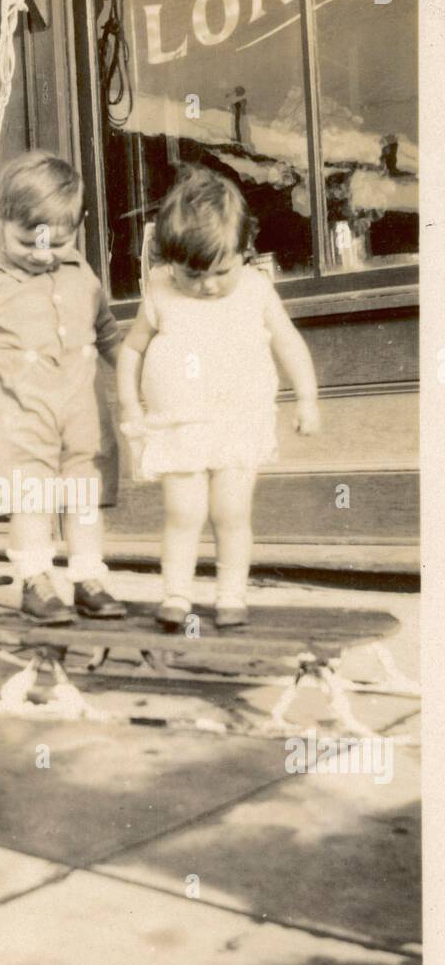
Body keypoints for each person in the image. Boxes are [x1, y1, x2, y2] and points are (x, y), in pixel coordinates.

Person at [117, 164, 321, 630]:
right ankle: (175, 594)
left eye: (219, 272)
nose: (207, 285)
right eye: (193, 274)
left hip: (237, 421)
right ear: (170, 262)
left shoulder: (254, 289)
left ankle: (231, 595)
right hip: (178, 425)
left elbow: (288, 342)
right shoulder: (161, 290)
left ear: (244, 253)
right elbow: (131, 348)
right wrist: (131, 405)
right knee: (182, 512)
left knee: (231, 512)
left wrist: (306, 397)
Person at [0, 150, 126, 625]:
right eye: (28, 242)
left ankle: (88, 578)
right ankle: (36, 580)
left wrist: (138, 375)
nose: (43, 253)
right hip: (19, 416)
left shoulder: (84, 275)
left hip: (81, 414)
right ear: (3, 219)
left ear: (77, 226)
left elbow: (109, 336)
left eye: (57, 243)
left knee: (84, 496)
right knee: (32, 499)